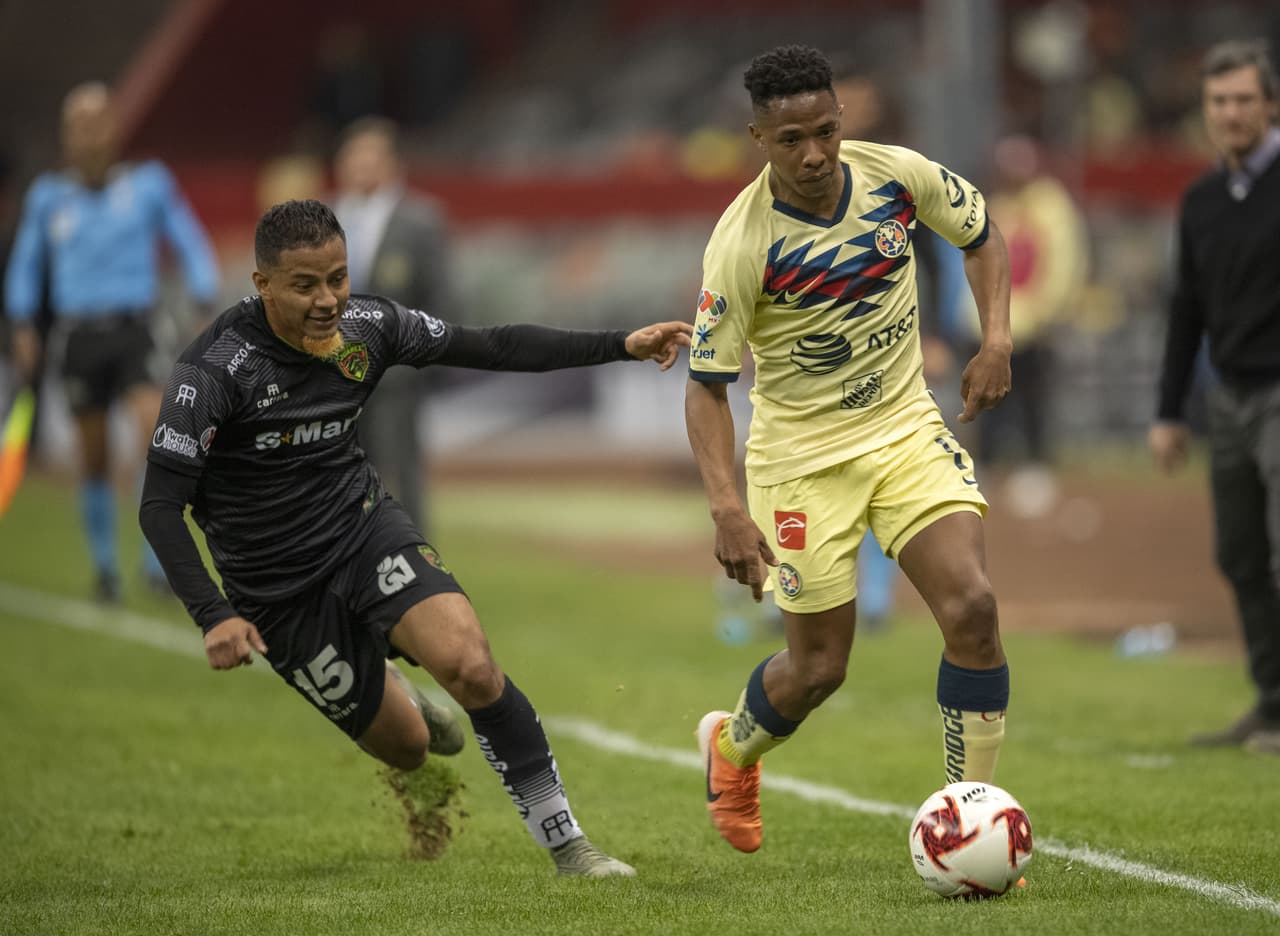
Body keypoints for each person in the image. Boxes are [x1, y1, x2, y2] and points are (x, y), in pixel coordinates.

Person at [138, 199, 691, 875]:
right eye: (305, 285)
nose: (328, 300)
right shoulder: (214, 372)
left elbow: (491, 345)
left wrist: (617, 345)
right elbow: (161, 506)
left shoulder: (371, 325)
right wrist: (214, 615)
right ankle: (409, 715)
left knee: (472, 666)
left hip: (362, 532)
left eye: (337, 279)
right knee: (408, 748)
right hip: (275, 592)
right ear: (262, 284)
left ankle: (567, 844)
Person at [684, 45, 1013, 853]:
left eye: (826, 131)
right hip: (802, 463)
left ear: (842, 119)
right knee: (819, 670)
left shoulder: (897, 176)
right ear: (758, 135)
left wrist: (994, 340)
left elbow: (982, 236)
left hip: (904, 429)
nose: (815, 154)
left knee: (972, 609)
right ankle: (731, 751)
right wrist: (727, 507)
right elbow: (706, 385)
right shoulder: (740, 244)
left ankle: (968, 822)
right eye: (792, 139)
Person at [4, 81, 220, 601]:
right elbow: (26, 267)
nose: (89, 134)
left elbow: (188, 237)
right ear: (66, 137)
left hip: (135, 329)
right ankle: (105, 569)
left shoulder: (148, 184)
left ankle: (155, 564)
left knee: (157, 436)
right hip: (78, 336)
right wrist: (22, 323)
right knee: (95, 456)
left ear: (115, 129)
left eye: (98, 122)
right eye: (78, 125)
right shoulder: (49, 198)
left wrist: (204, 292)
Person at [1150, 39, 1280, 755]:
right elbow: (1185, 309)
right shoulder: (1202, 199)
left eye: (1243, 100)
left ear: (1271, 104)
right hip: (1229, 396)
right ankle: (1271, 705)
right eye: (1219, 102)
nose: (1231, 113)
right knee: (1240, 553)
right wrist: (1169, 410)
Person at [332, 117, 451, 533]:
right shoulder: (327, 217)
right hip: (334, 372)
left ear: (391, 163)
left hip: (395, 372)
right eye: (353, 156)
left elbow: (438, 297)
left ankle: (416, 571)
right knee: (339, 476)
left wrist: (426, 361)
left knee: (400, 474)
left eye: (370, 156)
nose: (360, 165)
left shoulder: (421, 220)